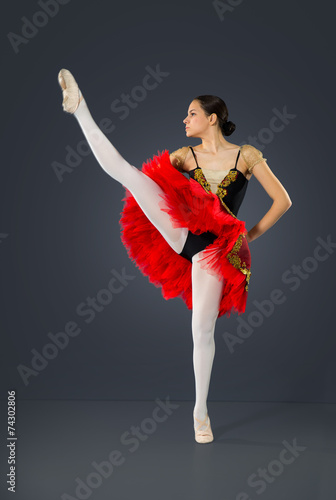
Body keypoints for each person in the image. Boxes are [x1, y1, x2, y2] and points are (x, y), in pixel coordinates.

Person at [57, 69, 292, 444]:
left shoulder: (246, 155)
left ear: (212, 118)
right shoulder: (184, 156)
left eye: (192, 114)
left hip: (217, 252)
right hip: (184, 237)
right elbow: (154, 184)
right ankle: (80, 108)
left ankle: (200, 412)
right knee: (130, 176)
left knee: (202, 331)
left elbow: (283, 201)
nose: (184, 120)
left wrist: (248, 235)